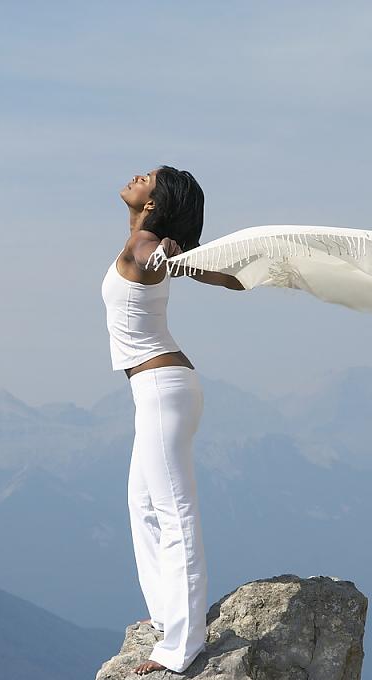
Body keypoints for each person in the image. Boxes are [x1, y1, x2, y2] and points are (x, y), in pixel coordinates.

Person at [101, 165, 243, 675]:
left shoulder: (145, 246)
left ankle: (182, 645)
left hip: (164, 390)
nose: (136, 175)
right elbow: (216, 278)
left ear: (155, 202)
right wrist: (203, 268)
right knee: (143, 504)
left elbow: (156, 258)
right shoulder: (140, 242)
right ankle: (167, 616)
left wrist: (173, 258)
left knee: (174, 509)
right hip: (158, 391)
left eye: (148, 177)